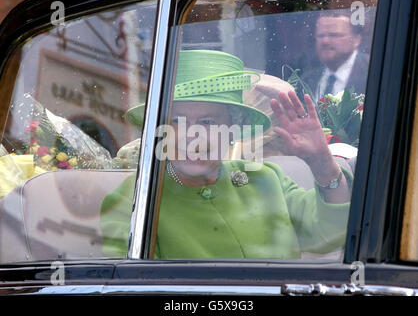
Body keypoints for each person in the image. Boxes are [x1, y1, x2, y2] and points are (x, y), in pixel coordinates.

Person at [100, 49, 353, 259]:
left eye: (208, 122)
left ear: (231, 130)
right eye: (177, 120)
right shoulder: (136, 200)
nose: (191, 135)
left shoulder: (266, 179)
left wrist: (321, 162)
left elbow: (330, 233)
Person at [302, 11, 370, 102]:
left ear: (356, 40)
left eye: (334, 35)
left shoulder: (373, 72)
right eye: (320, 35)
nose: (325, 41)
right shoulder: (306, 79)